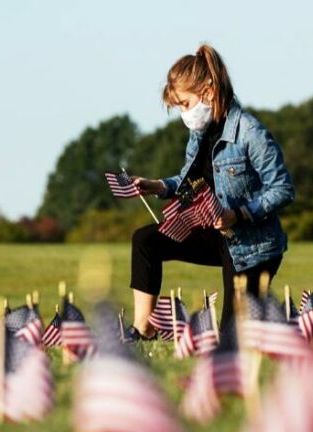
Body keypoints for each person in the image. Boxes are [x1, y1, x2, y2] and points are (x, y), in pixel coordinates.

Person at [126, 43, 294, 340]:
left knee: (232, 338)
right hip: (213, 235)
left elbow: (282, 188)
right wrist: (158, 186)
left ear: (208, 92)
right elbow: (188, 179)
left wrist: (238, 214)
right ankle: (142, 330)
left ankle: (308, 326)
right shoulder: (200, 132)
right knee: (145, 240)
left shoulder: (250, 132)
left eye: (185, 104)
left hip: (251, 247)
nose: (183, 113)